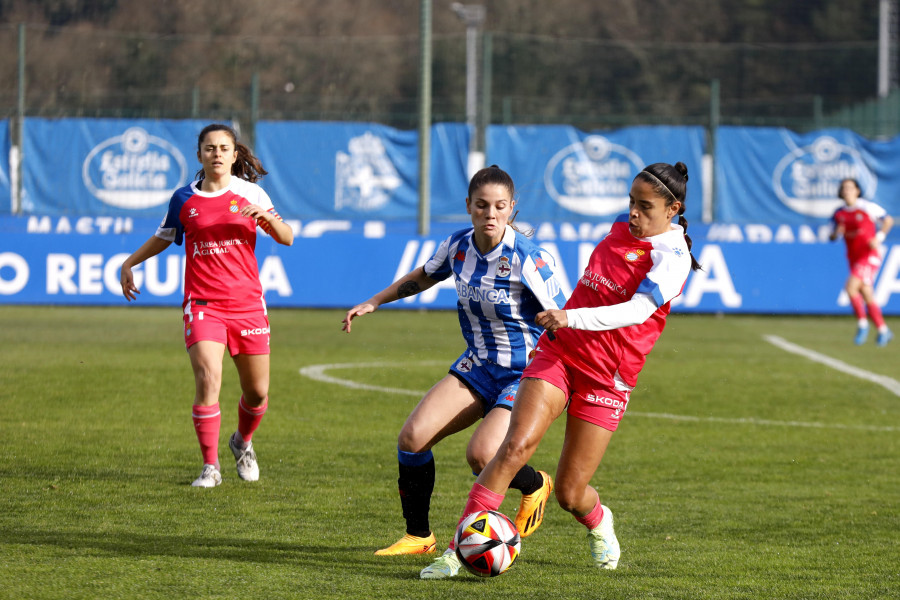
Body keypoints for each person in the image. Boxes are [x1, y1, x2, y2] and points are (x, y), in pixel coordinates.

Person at [420, 161, 700, 579]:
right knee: (514, 449)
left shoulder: (674, 258)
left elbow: (638, 310)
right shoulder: (622, 229)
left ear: (673, 208)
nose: (633, 214)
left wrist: (573, 317)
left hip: (608, 376)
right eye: (630, 203)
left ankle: (599, 520)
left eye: (645, 207)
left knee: (571, 492)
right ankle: (456, 551)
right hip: (560, 354)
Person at [342, 165, 567, 558]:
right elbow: (425, 276)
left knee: (482, 455)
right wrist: (374, 301)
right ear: (468, 206)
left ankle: (534, 484)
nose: (491, 214)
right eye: (482, 206)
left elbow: (565, 319)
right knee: (412, 440)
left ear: (512, 208)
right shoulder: (458, 245)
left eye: (500, 206)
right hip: (478, 365)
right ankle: (418, 536)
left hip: (526, 374)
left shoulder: (529, 258)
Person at [120, 123, 294, 487]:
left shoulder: (252, 194)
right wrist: (130, 263)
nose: (217, 154)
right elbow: (163, 237)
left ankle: (242, 442)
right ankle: (210, 467)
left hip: (247, 306)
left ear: (234, 154)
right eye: (210, 148)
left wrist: (263, 217)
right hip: (203, 305)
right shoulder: (184, 198)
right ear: (199, 154)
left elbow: (287, 238)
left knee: (258, 392)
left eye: (223, 148)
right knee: (207, 379)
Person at [829, 178, 894, 346]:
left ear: (857, 190)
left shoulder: (867, 207)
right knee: (866, 293)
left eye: (851, 188)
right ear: (841, 192)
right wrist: (836, 233)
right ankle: (883, 330)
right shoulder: (839, 213)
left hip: (869, 255)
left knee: (851, 287)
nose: (847, 191)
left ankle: (862, 325)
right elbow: (832, 235)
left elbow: (888, 220)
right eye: (844, 188)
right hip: (853, 257)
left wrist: (879, 237)